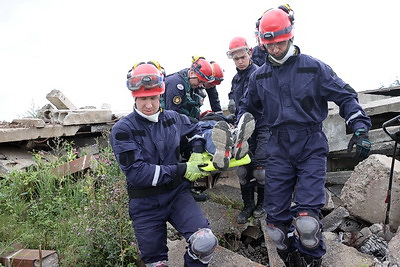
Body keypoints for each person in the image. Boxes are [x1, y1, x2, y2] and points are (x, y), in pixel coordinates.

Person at [239, 7, 372, 267]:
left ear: (289, 36)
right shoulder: (259, 76)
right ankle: (290, 258)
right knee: (275, 227)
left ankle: (312, 259)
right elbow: (247, 109)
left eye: (279, 43)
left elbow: (345, 96)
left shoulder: (313, 69)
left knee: (307, 223)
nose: (275, 50)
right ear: (261, 43)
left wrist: (359, 126)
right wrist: (239, 134)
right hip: (277, 148)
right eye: (269, 45)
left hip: (310, 144)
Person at [110, 62, 218, 266]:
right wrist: (184, 168)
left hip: (177, 195)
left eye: (153, 98)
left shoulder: (172, 118)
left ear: (161, 94)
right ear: (134, 96)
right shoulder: (123, 130)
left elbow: (196, 129)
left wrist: (196, 151)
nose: (149, 105)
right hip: (145, 203)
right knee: (156, 263)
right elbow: (138, 174)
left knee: (205, 242)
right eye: (143, 99)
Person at [226, 36, 267, 224]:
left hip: (261, 128)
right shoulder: (235, 80)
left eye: (242, 57)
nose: (240, 61)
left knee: (260, 170)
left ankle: (262, 204)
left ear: (249, 53)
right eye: (236, 59)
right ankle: (248, 205)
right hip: (243, 130)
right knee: (243, 171)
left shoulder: (259, 74)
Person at [161, 57, 221, 123]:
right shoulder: (176, 84)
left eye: (203, 83)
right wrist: (192, 122)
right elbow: (173, 114)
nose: (200, 85)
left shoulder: (192, 83)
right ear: (192, 73)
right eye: (200, 81)